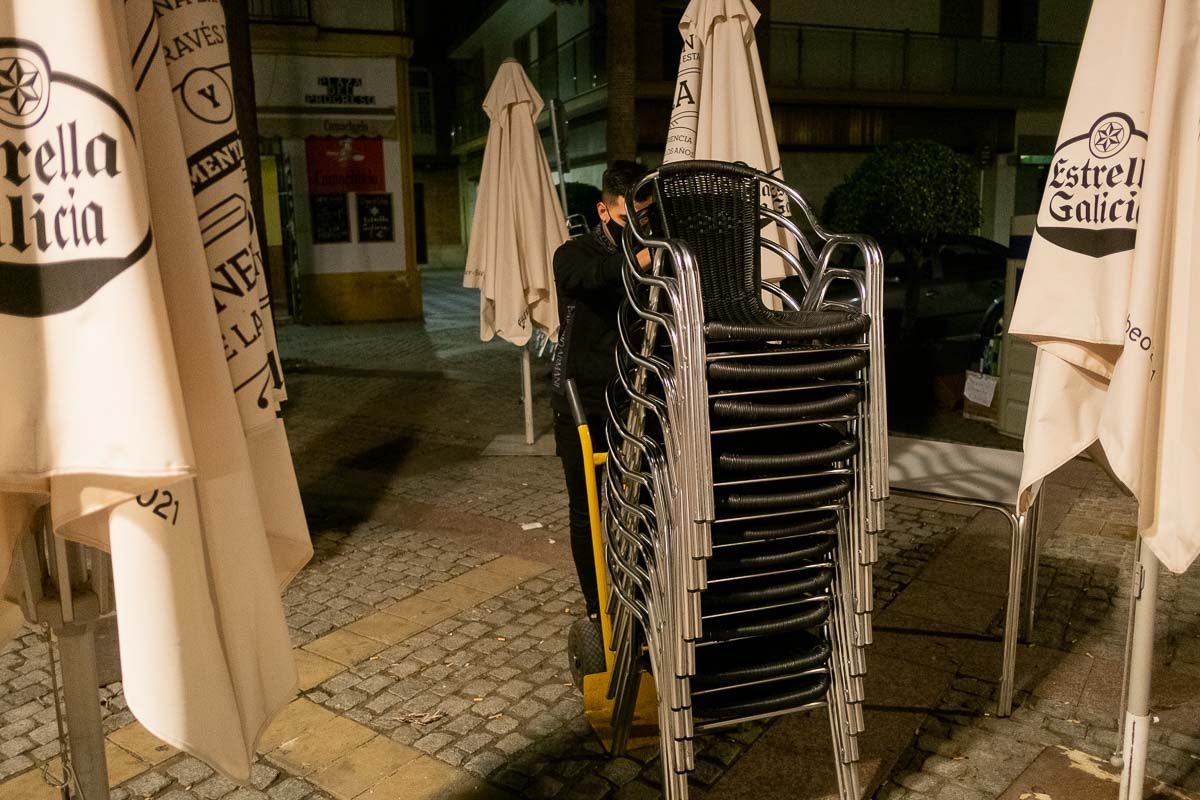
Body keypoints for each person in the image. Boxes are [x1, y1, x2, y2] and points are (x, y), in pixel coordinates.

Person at [552, 160, 653, 620]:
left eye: (646, 218)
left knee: (640, 502)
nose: (639, 228)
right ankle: (598, 608)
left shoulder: (651, 249)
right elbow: (594, 277)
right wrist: (645, 258)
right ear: (604, 210)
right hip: (581, 400)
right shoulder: (572, 254)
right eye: (629, 219)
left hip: (633, 398)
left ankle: (640, 596)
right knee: (587, 508)